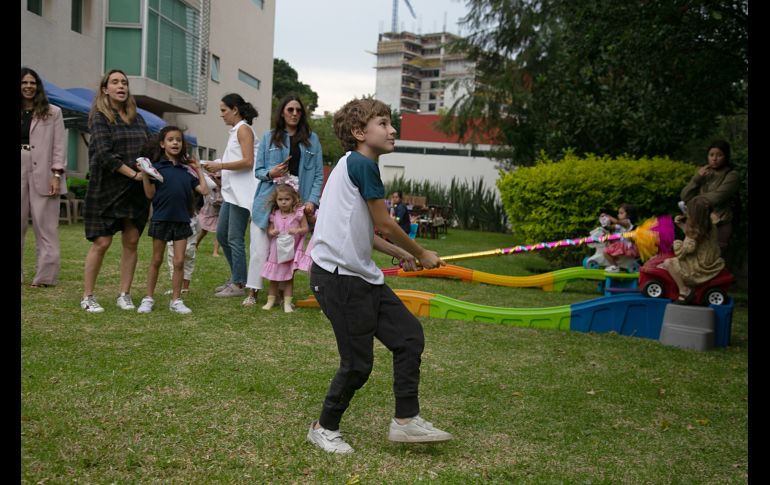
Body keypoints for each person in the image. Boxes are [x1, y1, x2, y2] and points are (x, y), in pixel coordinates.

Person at [306, 97, 453, 454]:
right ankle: (324, 428)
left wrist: (402, 254)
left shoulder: (351, 166)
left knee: (408, 337)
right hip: (337, 279)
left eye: (391, 123)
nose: (392, 130)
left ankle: (406, 421)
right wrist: (421, 252)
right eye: (383, 123)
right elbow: (386, 222)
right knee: (357, 364)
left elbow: (366, 230)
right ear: (359, 132)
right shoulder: (361, 163)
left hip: (361, 276)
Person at [80, 69, 152, 313]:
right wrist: (133, 174)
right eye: (115, 82)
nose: (121, 86)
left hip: (135, 192)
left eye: (124, 82)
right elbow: (104, 154)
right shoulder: (100, 117)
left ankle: (125, 294)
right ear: (105, 89)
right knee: (102, 242)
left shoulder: (138, 118)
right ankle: (88, 296)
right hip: (107, 188)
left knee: (131, 241)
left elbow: (149, 149)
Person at [246, 95, 325, 306]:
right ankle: (252, 292)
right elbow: (258, 171)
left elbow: (318, 174)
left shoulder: (312, 139)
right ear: (282, 112)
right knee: (259, 247)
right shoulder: (269, 137)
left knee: (286, 247)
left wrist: (312, 201)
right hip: (267, 200)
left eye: (298, 110)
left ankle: (280, 293)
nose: (294, 114)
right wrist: (271, 172)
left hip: (296, 203)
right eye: (290, 110)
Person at [136, 126, 209, 314]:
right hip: (161, 218)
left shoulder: (187, 171)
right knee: (156, 259)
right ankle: (148, 298)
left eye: (178, 140)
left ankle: (176, 300)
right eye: (170, 139)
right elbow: (149, 194)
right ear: (162, 144)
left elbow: (204, 190)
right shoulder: (156, 168)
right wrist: (145, 174)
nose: (175, 142)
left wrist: (198, 169)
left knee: (179, 261)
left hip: (182, 220)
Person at [203, 94, 260, 300]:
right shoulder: (237, 131)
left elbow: (247, 161)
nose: (221, 115)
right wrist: (218, 171)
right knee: (221, 235)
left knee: (234, 238)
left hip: (242, 194)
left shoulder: (244, 129)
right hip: (231, 193)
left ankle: (238, 283)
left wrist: (220, 166)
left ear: (235, 109)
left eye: (223, 110)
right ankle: (238, 277)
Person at [20, 67, 67, 288]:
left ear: (38, 86)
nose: (28, 86)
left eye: (32, 83)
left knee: (46, 226)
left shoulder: (53, 112)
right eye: (24, 82)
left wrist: (57, 174)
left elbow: (59, 145)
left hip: (45, 170)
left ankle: (46, 277)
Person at [658, 195, 725, 304]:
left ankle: (684, 290)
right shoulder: (710, 226)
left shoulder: (695, 229)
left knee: (668, 263)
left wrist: (677, 244)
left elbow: (685, 251)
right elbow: (695, 237)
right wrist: (682, 225)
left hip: (698, 267)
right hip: (710, 262)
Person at [680, 140, 739, 256]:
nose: (714, 159)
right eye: (711, 155)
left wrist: (694, 202)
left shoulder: (732, 175)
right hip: (699, 224)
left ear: (726, 157)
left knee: (715, 259)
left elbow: (717, 197)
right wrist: (697, 179)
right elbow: (684, 196)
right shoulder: (705, 173)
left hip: (719, 223)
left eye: (719, 155)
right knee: (695, 258)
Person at [260, 182, 309, 313]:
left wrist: (297, 230)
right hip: (276, 251)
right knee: (273, 277)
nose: (283, 202)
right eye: (280, 199)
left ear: (293, 199)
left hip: (290, 251)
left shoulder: (298, 213)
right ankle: (270, 300)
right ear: (276, 200)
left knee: (289, 277)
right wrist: (272, 232)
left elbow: (305, 228)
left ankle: (287, 302)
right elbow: (269, 230)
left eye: (287, 199)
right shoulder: (274, 214)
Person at [601, 203, 639, 272]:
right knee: (607, 247)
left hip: (625, 245)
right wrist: (604, 221)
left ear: (628, 215)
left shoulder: (627, 222)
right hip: (619, 244)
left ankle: (614, 267)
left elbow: (616, 221)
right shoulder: (619, 224)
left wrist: (608, 216)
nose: (618, 215)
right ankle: (615, 265)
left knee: (605, 251)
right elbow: (609, 227)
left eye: (621, 213)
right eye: (618, 213)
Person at [197, 170, 223, 257]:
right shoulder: (209, 184)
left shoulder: (223, 186)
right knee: (203, 231)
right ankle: (195, 245)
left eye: (220, 177)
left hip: (219, 212)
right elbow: (210, 199)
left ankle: (215, 251)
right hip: (209, 211)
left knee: (219, 232)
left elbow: (222, 187)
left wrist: (217, 179)